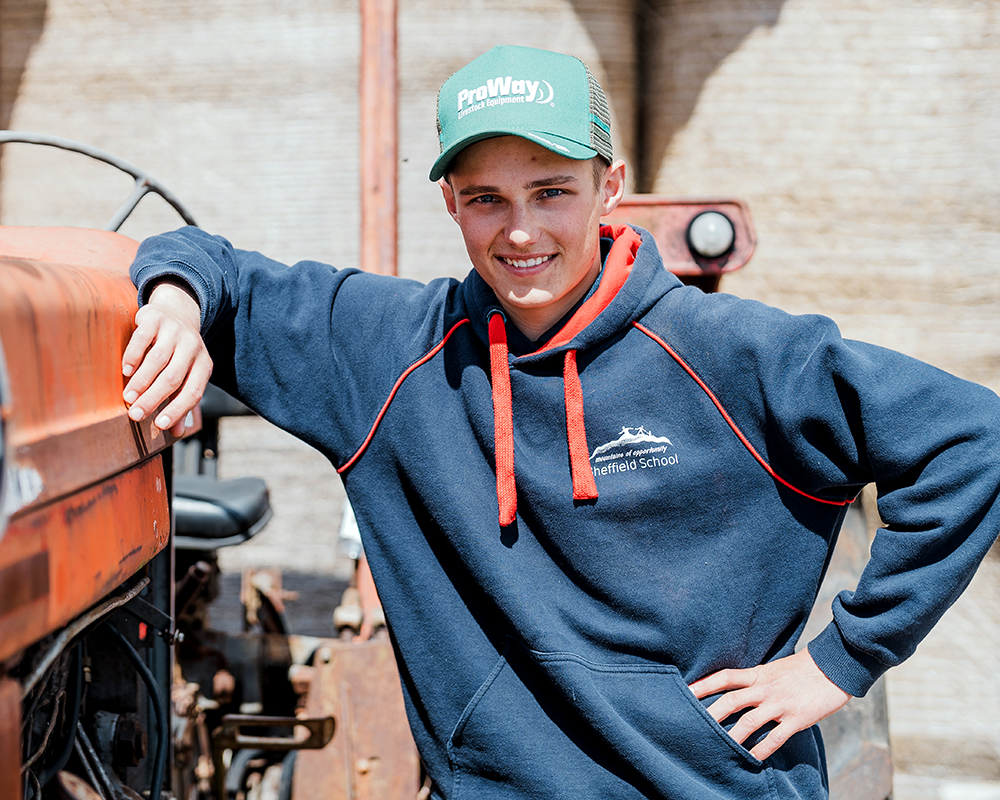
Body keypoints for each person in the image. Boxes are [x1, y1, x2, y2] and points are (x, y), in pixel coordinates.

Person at [121, 44, 1000, 800]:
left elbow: (974, 438)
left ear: (609, 185)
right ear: (451, 203)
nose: (521, 231)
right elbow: (211, 263)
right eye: (486, 199)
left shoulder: (733, 353)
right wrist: (172, 301)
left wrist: (837, 662)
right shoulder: (392, 354)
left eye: (552, 191)